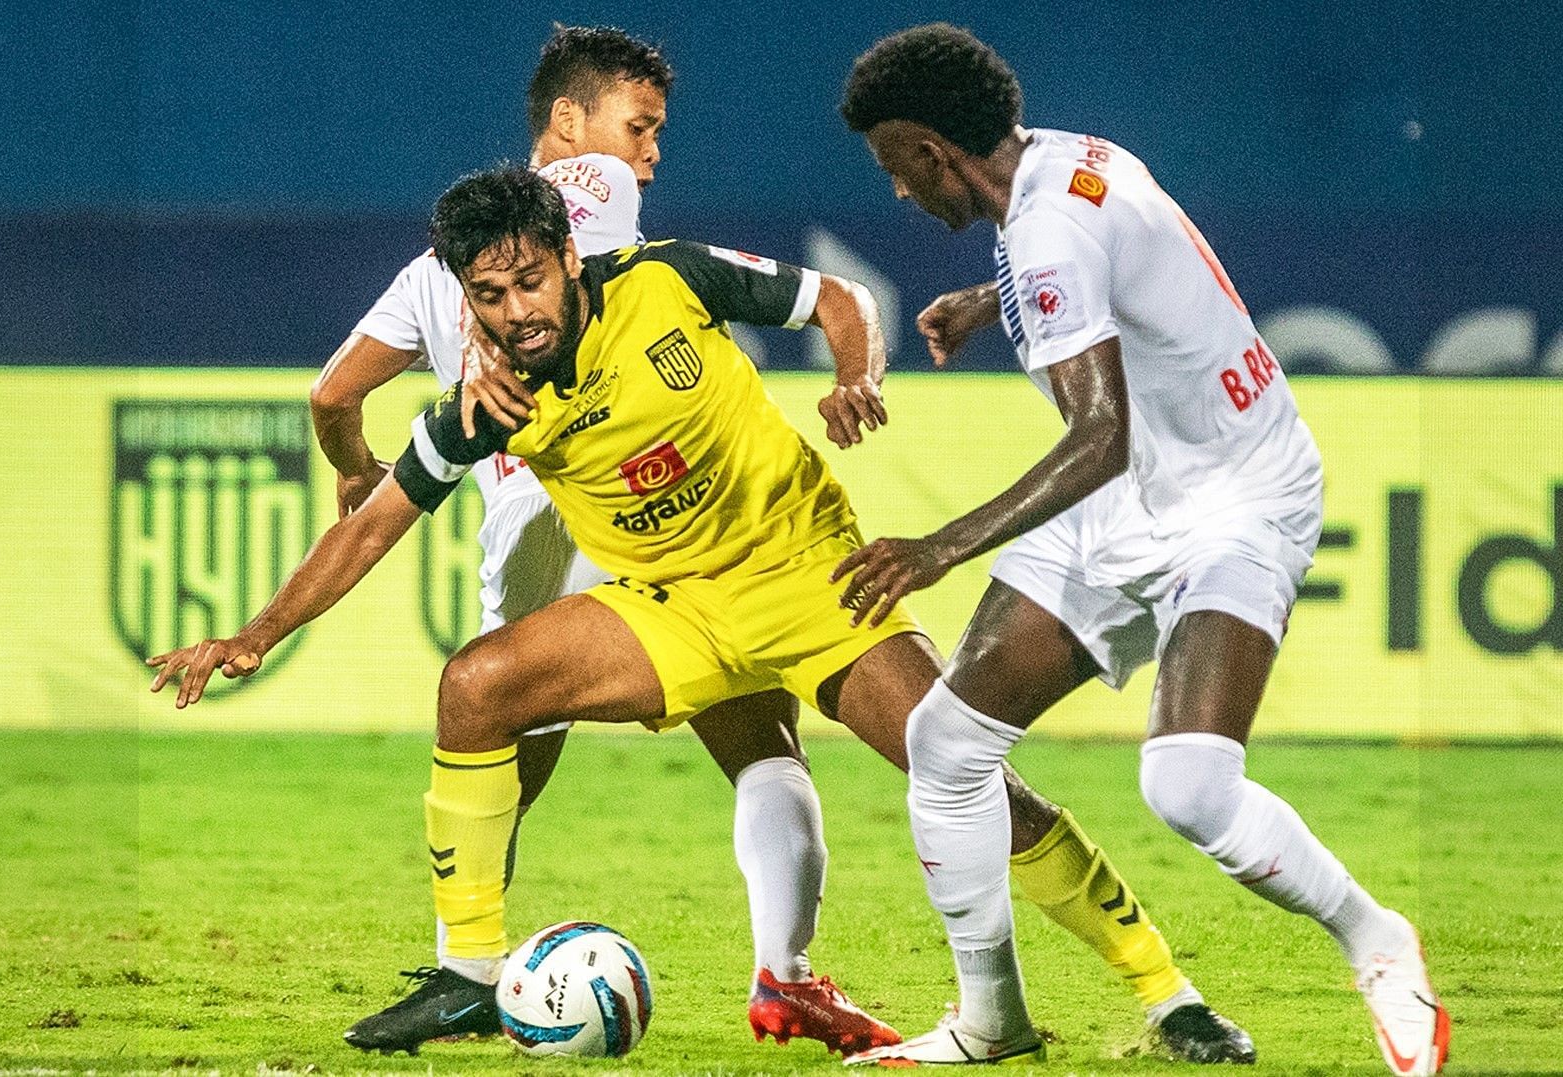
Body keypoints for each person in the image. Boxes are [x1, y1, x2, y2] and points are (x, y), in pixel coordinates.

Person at [152, 166, 1246, 1066]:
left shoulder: (667, 278)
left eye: (529, 281)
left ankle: (1167, 993)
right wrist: (252, 635)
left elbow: (837, 301)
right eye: (487, 298)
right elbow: (371, 522)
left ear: (566, 258)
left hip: (807, 579)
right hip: (666, 607)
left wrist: (852, 378)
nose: (515, 311)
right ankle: (469, 976)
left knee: (959, 777)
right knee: (476, 686)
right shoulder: (487, 407)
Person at [834, 24, 1447, 1074]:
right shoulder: (1071, 156)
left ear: (934, 151)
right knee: (945, 746)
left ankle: (1377, 942)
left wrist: (942, 545)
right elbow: (1108, 269)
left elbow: (1097, 435)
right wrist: (998, 304)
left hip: (1234, 495)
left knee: (1190, 788)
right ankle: (991, 1022)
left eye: (894, 167)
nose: (894, 191)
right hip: (1127, 498)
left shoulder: (1044, 235)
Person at [310, 27, 895, 1056]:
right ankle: (783, 976)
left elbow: (331, 395)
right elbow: (575, 256)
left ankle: (466, 968)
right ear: (570, 127)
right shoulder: (591, 190)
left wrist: (352, 465)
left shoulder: (426, 271)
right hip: (598, 500)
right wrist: (487, 351)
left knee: (501, 746)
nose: (651, 151)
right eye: (643, 125)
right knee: (756, 739)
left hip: (532, 527)